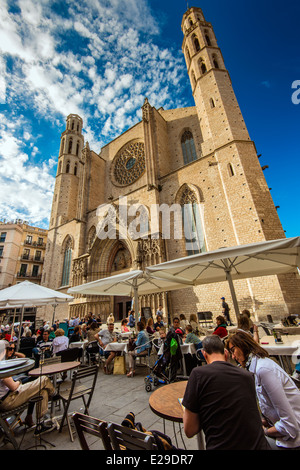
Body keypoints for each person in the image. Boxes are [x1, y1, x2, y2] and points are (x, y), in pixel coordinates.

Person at [182, 335, 270, 450]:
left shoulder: (198, 374)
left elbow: (189, 430)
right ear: (226, 354)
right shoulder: (247, 376)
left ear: (204, 354)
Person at [226, 331, 300, 449]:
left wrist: (264, 431)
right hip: (283, 430)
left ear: (242, 345)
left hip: (292, 439)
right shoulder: (255, 367)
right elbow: (273, 409)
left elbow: (290, 426)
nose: (233, 357)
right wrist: (263, 421)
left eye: (233, 350)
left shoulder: (264, 369)